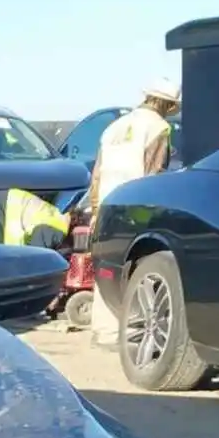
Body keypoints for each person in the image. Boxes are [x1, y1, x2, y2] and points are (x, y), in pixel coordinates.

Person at [89, 81, 179, 346]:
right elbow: (154, 173)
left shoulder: (114, 127)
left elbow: (97, 172)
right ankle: (130, 330)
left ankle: (103, 331)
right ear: (170, 105)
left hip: (107, 203)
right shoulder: (159, 128)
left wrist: (95, 209)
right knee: (137, 265)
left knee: (107, 266)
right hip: (135, 205)